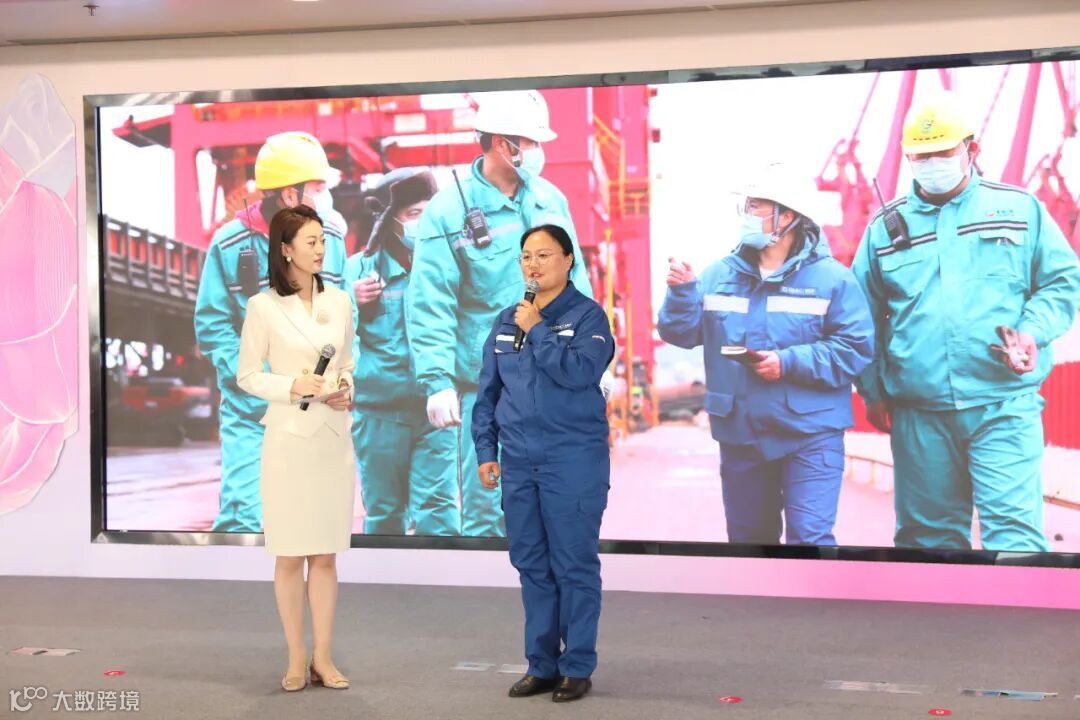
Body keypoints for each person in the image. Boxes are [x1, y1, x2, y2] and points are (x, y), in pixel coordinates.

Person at [852, 93, 1080, 551]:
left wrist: (1032, 332)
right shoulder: (884, 229)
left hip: (1003, 403)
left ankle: (1016, 600)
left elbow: (1061, 282)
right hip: (920, 411)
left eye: (942, 152)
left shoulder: (1021, 210)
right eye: (920, 155)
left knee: (1014, 537)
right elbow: (862, 315)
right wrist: (873, 391)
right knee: (927, 541)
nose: (931, 163)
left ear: (971, 149)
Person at [406, 90, 593, 537]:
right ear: (500, 144)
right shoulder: (448, 212)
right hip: (489, 389)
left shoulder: (550, 200)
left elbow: (577, 282)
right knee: (488, 510)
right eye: (530, 142)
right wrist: (437, 381)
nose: (538, 151)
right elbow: (431, 302)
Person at [657, 163, 874, 545]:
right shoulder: (718, 275)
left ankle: (812, 589)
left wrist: (788, 363)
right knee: (749, 545)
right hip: (743, 435)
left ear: (786, 217)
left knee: (810, 540)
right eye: (746, 204)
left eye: (755, 205)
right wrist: (683, 293)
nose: (746, 213)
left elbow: (854, 348)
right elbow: (680, 333)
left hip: (811, 434)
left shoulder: (833, 280)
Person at [472, 224, 614, 703]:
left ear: (568, 260)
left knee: (573, 564)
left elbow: (579, 372)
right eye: (526, 256)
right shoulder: (504, 321)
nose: (533, 265)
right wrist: (486, 452)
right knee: (531, 563)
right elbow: (488, 394)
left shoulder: (588, 317)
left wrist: (537, 329)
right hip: (518, 462)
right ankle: (542, 665)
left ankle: (577, 666)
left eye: (544, 255)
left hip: (572, 460)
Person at [195, 131, 348, 533]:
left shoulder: (332, 238)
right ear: (290, 196)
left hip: (316, 408)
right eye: (318, 188)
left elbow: (345, 318)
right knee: (242, 514)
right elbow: (213, 324)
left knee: (310, 518)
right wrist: (257, 377)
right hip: (253, 409)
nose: (326, 197)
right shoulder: (229, 244)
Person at [236, 204, 356, 692]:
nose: (321, 249)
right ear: (285, 250)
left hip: (331, 438)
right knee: (289, 556)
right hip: (288, 442)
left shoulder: (340, 301)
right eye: (311, 242)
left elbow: (347, 364)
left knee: (325, 556)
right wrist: (292, 386)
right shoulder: (262, 307)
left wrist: (345, 388)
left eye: (322, 240)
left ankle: (323, 657)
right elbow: (247, 375)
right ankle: (295, 657)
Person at [345, 168, 459, 535]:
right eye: (413, 213)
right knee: (384, 513)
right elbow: (321, 330)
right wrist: (349, 301)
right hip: (379, 415)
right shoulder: (356, 272)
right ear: (388, 220)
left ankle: (441, 572)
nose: (423, 222)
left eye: (429, 212)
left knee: (438, 509)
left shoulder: (448, 266)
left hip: (435, 413)